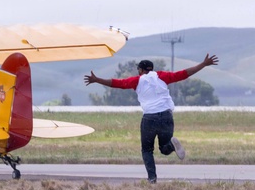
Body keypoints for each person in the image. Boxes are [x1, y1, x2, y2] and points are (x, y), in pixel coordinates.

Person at [84, 54, 219, 183]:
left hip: (149, 118)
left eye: (138, 70)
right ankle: (172, 144)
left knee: (147, 150)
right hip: (166, 116)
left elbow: (117, 83)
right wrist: (203, 64)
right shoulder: (162, 76)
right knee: (164, 149)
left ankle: (152, 179)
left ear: (141, 70)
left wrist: (97, 80)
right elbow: (183, 74)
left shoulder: (137, 80)